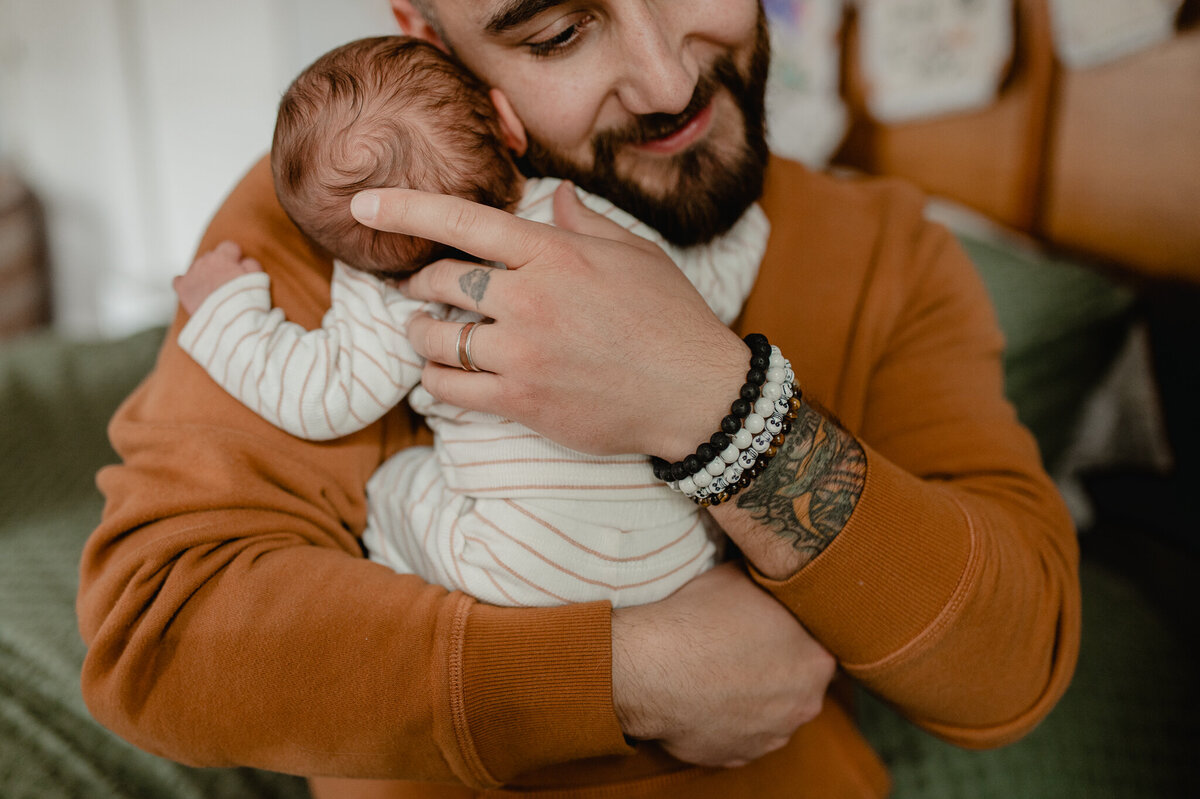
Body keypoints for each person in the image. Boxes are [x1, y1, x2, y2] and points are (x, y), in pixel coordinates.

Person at [77, 2, 1082, 798]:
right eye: (558, 32)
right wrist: (621, 671)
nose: (669, 79)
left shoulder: (892, 250)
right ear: (433, 44)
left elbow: (1011, 668)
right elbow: (160, 635)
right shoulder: (345, 211)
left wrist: (718, 411)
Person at [173, 35, 773, 607]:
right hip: (678, 563)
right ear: (508, 125)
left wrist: (226, 309)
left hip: (514, 571)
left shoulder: (391, 293)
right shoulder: (588, 213)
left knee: (393, 485)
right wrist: (748, 227)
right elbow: (703, 295)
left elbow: (321, 396)